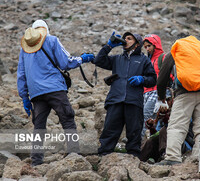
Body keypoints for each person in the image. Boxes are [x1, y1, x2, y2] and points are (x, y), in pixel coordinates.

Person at [17, 19, 94, 166]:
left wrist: (25, 98)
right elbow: (66, 62)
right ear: (45, 29)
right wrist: (82, 59)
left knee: (39, 127)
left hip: (36, 94)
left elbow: (21, 75)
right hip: (55, 90)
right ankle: (74, 154)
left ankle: (36, 162)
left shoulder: (24, 49)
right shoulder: (52, 40)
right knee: (67, 119)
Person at [94, 31, 157, 157]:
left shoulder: (143, 60)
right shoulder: (117, 59)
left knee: (134, 132)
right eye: (125, 38)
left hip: (134, 101)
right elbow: (98, 60)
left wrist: (142, 79)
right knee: (110, 130)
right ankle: (104, 156)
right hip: (115, 100)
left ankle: (133, 157)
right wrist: (109, 46)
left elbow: (152, 80)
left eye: (129, 38)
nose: (125, 40)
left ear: (137, 44)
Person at [156, 45, 200, 165]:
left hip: (184, 93)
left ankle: (173, 157)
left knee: (177, 126)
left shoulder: (175, 51)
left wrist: (161, 97)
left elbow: (163, 75)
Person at [141, 34, 170, 138]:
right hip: (146, 92)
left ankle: (140, 143)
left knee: (146, 115)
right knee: (148, 118)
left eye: (149, 46)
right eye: (145, 47)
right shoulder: (147, 60)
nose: (147, 49)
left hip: (158, 92)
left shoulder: (163, 58)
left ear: (155, 44)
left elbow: (170, 76)